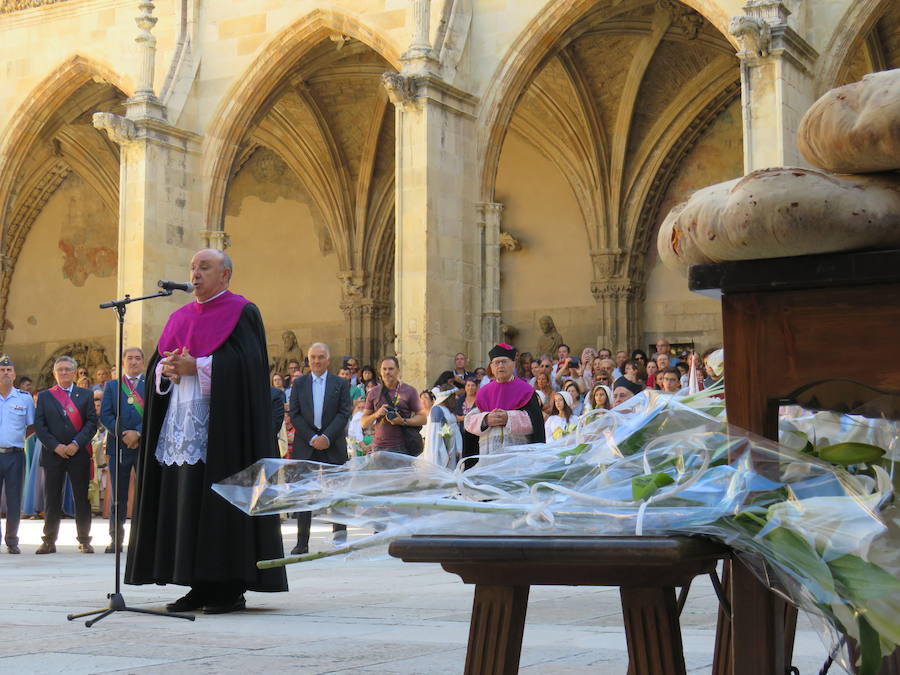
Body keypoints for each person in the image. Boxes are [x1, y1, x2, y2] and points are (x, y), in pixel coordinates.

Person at [126, 248, 287, 614]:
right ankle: (196, 585)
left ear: (225, 274)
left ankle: (229, 588)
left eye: (204, 267)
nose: (195, 274)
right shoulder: (179, 316)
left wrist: (196, 367)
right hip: (180, 429)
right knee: (184, 504)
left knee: (217, 508)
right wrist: (164, 371)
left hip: (223, 433)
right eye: (193, 268)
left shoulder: (241, 311)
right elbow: (158, 365)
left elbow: (246, 367)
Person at [288, 342, 352, 555]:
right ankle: (302, 542)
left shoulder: (340, 384)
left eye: (321, 357)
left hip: (332, 445)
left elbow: (344, 413)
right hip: (307, 445)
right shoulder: (299, 384)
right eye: (313, 357)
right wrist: (313, 437)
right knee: (305, 493)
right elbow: (295, 414)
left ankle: (340, 540)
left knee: (337, 493)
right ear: (308, 360)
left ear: (328, 359)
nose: (317, 361)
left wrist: (326, 436)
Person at [34, 355, 98, 554]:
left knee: (81, 498)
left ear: (74, 372)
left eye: (67, 369)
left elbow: (91, 423)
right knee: (52, 498)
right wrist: (56, 446)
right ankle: (49, 540)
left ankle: (85, 540)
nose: (63, 373)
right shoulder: (45, 396)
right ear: (54, 373)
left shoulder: (85, 395)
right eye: (60, 369)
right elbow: (40, 425)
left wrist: (76, 443)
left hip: (78, 453)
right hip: (54, 454)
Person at [99, 347, 145, 553]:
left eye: (138, 358)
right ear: (123, 362)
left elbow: (156, 413)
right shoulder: (113, 386)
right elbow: (106, 415)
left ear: (143, 362)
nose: (134, 362)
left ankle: (143, 540)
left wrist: (139, 433)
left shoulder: (151, 384)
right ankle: (115, 538)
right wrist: (124, 434)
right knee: (119, 495)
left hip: (144, 445)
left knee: (145, 494)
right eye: (130, 358)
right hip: (119, 445)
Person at [464, 344, 545, 455]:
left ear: (513, 364)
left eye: (504, 361)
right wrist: (485, 419)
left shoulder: (526, 390)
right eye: (496, 362)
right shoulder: (483, 392)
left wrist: (509, 418)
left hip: (518, 455)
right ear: (491, 367)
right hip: (488, 455)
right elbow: (469, 422)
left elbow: (536, 423)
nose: (500, 366)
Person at [0, 355, 35, 554]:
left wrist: (18, 439)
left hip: (15, 454)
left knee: (14, 500)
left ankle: (12, 540)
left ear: (14, 375)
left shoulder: (24, 398)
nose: (5, 373)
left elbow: (31, 426)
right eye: (2, 370)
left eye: (9, 370)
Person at [360, 356, 426, 455]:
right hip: (378, 447)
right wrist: (376, 414)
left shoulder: (409, 391)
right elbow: (363, 423)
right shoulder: (373, 392)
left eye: (391, 369)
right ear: (380, 372)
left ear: (398, 371)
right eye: (384, 369)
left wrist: (402, 421)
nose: (387, 372)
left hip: (402, 447)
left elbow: (423, 419)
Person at [423, 386, 462, 469]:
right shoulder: (437, 410)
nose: (456, 398)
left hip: (452, 447)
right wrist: (445, 453)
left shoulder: (447, 410)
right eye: (453, 396)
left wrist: (457, 448)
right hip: (443, 450)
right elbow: (437, 436)